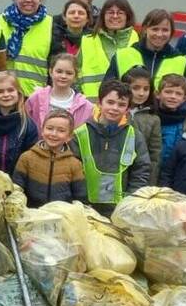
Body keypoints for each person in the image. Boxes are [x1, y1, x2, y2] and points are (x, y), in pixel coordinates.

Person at [72, 79, 151, 215]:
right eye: (110, 102)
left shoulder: (134, 136)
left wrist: (130, 202)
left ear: (127, 109)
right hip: (84, 208)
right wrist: (79, 202)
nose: (115, 108)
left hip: (121, 210)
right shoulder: (80, 134)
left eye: (121, 104)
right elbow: (70, 170)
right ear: (99, 103)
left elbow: (141, 170)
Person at [0, 0, 61, 97]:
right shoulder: (0, 22)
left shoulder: (51, 25)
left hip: (36, 97)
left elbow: (56, 65)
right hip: (5, 94)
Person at [11, 110, 86, 207]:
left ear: (69, 136)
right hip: (32, 215)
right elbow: (17, 188)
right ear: (42, 131)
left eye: (61, 130)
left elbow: (80, 196)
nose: (54, 134)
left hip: (61, 216)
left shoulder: (74, 164)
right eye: (49, 128)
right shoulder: (27, 158)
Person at [105, 9, 186, 86]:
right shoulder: (122, 56)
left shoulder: (182, 61)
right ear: (145, 29)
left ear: (171, 32)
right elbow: (108, 89)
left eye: (165, 30)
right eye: (155, 29)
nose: (159, 34)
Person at [78, 0, 138, 97]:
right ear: (103, 16)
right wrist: (80, 93)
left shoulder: (137, 40)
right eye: (110, 12)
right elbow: (75, 71)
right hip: (93, 105)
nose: (115, 16)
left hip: (127, 105)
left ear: (127, 16)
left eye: (120, 13)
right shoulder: (87, 41)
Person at [0, 73, 39, 176]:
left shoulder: (27, 125)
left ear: (18, 92)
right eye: (0, 91)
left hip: (17, 181)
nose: (6, 95)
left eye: (10, 90)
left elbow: (31, 159)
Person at [24, 52, 92, 131]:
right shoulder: (36, 98)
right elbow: (25, 126)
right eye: (59, 71)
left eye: (69, 73)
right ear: (51, 72)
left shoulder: (86, 107)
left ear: (75, 76)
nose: (63, 76)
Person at [123, 67, 163, 184]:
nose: (141, 93)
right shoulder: (116, 112)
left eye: (146, 89)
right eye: (136, 88)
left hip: (140, 175)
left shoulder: (153, 119)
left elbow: (155, 155)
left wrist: (151, 182)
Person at [156, 73, 186, 173]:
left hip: (178, 170)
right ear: (158, 94)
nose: (173, 97)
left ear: (184, 98)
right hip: (153, 169)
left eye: (178, 94)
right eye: (168, 92)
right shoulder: (151, 118)